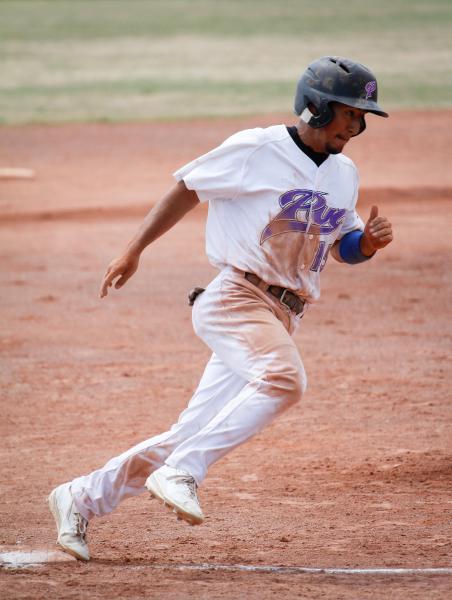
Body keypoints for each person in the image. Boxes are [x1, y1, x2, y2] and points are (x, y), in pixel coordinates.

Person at [48, 56, 393, 561]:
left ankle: (80, 497)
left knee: (190, 434)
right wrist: (133, 249)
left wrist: (369, 244)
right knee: (284, 380)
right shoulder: (257, 148)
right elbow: (187, 188)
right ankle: (184, 471)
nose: (355, 125)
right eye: (348, 112)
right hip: (237, 297)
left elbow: (343, 245)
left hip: (282, 316)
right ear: (317, 107)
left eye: (361, 117)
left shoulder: (345, 174)